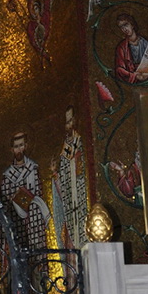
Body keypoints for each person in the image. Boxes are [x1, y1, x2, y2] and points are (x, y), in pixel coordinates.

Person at [0, 131, 49, 249]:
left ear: (26, 146)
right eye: (16, 147)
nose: (19, 150)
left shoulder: (33, 168)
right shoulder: (8, 175)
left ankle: (37, 250)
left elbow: (39, 191)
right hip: (16, 213)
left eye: (21, 145)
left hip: (33, 210)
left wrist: (29, 201)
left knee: (34, 208)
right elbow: (5, 197)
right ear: (12, 149)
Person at [57, 106, 87, 248]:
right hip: (71, 195)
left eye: (71, 121)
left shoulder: (81, 142)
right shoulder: (66, 148)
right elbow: (63, 172)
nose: (69, 125)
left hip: (81, 194)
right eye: (67, 122)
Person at [114, 13, 148, 84]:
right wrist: (134, 75)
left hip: (147, 74)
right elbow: (119, 69)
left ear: (132, 25)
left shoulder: (145, 43)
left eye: (126, 25)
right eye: (121, 27)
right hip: (133, 76)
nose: (125, 29)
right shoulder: (121, 47)